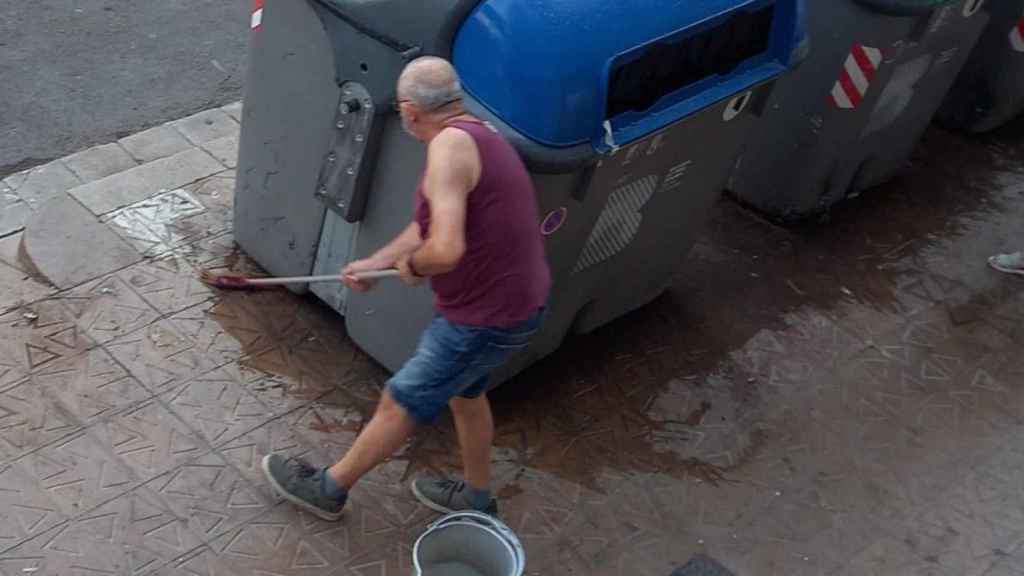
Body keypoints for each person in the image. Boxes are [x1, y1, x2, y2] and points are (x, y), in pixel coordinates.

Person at [261, 56, 551, 520]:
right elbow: (428, 228)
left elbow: (445, 248)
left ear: (410, 112)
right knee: (466, 394)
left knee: (402, 400)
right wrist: (376, 263)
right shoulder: (474, 136)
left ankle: (328, 490)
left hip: (485, 317)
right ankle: (478, 500)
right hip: (516, 306)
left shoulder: (446, 150)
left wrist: (415, 267)